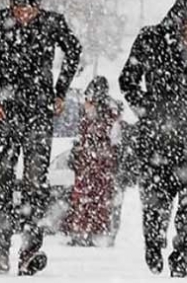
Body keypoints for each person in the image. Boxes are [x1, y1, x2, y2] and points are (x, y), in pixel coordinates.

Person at [0, 0, 82, 275]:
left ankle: (29, 251)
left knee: (35, 184)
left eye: (28, 10)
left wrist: (60, 91)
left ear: (38, 8)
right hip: (4, 114)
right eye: (18, 10)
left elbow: (74, 51)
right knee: (2, 183)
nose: (23, 16)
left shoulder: (51, 24)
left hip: (39, 112)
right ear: (11, 6)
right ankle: (0, 249)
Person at [119, 0, 187, 277]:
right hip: (156, 139)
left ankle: (183, 258)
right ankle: (153, 245)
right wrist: (146, 110)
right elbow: (127, 80)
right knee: (154, 203)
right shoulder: (151, 39)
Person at [65, 76, 122, 247]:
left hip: (97, 162)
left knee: (92, 196)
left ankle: (89, 231)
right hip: (92, 162)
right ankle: (87, 230)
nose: (87, 100)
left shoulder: (105, 113)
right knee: (90, 196)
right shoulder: (95, 112)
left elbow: (113, 138)